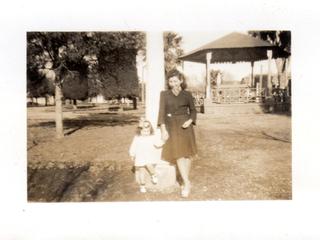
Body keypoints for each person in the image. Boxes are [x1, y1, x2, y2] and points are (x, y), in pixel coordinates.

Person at [158, 69, 197, 197]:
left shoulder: (187, 94)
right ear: (168, 82)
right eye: (170, 81)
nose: (173, 83)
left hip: (186, 126)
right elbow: (161, 113)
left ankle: (184, 179)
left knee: (188, 155)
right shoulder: (164, 94)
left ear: (181, 80)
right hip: (172, 127)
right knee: (179, 155)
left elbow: (193, 111)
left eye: (175, 80)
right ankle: (186, 183)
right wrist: (163, 130)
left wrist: (190, 120)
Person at [129, 118, 164, 193]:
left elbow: (157, 143)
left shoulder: (152, 137)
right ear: (140, 131)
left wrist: (163, 141)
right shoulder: (137, 137)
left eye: (148, 131)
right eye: (144, 131)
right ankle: (142, 185)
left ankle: (153, 174)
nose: (146, 133)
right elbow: (133, 146)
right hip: (140, 157)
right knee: (141, 171)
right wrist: (132, 154)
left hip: (149, 156)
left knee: (148, 164)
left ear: (150, 131)